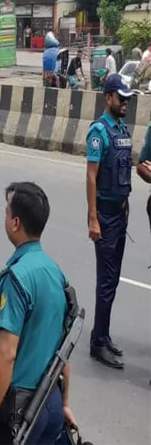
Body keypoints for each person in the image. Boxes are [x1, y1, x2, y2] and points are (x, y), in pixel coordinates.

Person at [0, 182, 73, 445]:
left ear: (15, 223)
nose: (4, 216)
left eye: (7, 211)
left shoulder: (17, 278)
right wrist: (64, 404)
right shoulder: (55, 272)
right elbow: (64, 345)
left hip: (22, 412)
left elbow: (7, 355)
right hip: (50, 401)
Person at [85, 73, 133, 369]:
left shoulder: (121, 129)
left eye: (127, 98)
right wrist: (93, 218)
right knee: (105, 282)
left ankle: (102, 333)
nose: (125, 102)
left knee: (113, 281)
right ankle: (98, 343)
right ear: (108, 98)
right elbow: (91, 176)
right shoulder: (99, 131)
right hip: (104, 215)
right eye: (121, 98)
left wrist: (126, 205)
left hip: (120, 214)